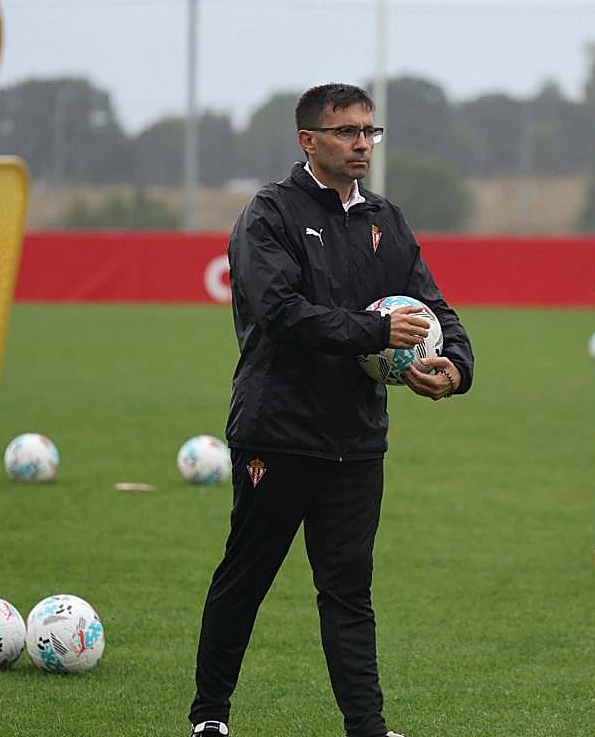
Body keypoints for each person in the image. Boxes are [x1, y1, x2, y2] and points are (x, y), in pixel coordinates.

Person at [187, 83, 474, 737]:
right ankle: (209, 719)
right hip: (278, 433)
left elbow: (435, 307)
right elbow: (281, 314)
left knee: (348, 592)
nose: (361, 144)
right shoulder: (270, 215)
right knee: (247, 577)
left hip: (357, 441)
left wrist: (456, 368)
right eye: (346, 132)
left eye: (369, 132)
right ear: (308, 140)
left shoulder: (386, 220)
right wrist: (376, 333)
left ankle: (366, 729)